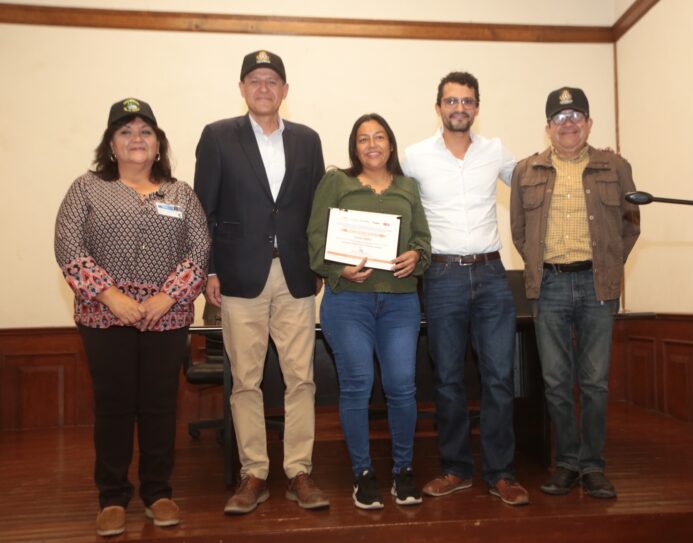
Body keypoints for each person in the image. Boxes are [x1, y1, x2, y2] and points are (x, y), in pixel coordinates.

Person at [54, 98, 210, 536]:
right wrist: (111, 297)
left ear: (158, 144)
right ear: (111, 144)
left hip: (167, 317)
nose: (136, 139)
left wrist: (167, 297)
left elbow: (199, 251)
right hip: (104, 317)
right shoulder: (86, 188)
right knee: (114, 406)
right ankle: (112, 497)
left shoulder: (180, 194)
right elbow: (69, 247)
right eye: (125, 132)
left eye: (145, 132)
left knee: (160, 405)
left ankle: (158, 492)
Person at [194, 49, 328, 513]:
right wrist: (210, 269)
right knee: (246, 381)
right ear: (242, 88)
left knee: (301, 378)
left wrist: (318, 264)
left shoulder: (307, 140)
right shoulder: (217, 136)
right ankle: (253, 473)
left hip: (295, 275)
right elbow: (203, 211)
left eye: (272, 80)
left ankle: (299, 471)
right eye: (255, 80)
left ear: (285, 90)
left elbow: (317, 211)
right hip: (238, 275)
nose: (264, 88)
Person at [403, 72, 529, 505]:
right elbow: (388, 195)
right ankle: (455, 469)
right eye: (451, 100)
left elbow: (536, 181)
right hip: (442, 278)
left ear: (477, 107)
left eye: (467, 101)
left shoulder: (495, 151)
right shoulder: (415, 157)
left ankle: (501, 474)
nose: (459, 107)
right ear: (438, 107)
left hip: (492, 276)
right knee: (448, 379)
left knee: (499, 378)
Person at [510, 86, 640, 499]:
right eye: (560, 118)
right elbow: (519, 232)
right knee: (555, 381)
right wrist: (544, 267)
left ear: (588, 123)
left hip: (596, 284)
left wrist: (608, 266)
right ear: (548, 127)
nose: (568, 124)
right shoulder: (526, 171)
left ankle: (593, 465)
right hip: (548, 285)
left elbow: (630, 225)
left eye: (576, 116)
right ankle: (566, 463)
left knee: (595, 382)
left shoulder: (615, 166)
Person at [308, 113, 431, 510]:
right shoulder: (336, 182)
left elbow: (423, 239)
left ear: (391, 145)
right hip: (349, 301)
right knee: (357, 385)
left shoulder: (408, 187)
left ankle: (403, 470)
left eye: (379, 137)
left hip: (400, 300)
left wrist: (417, 255)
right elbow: (315, 236)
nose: (372, 144)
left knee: (402, 385)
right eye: (364, 139)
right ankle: (363, 473)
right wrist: (336, 268)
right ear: (354, 147)